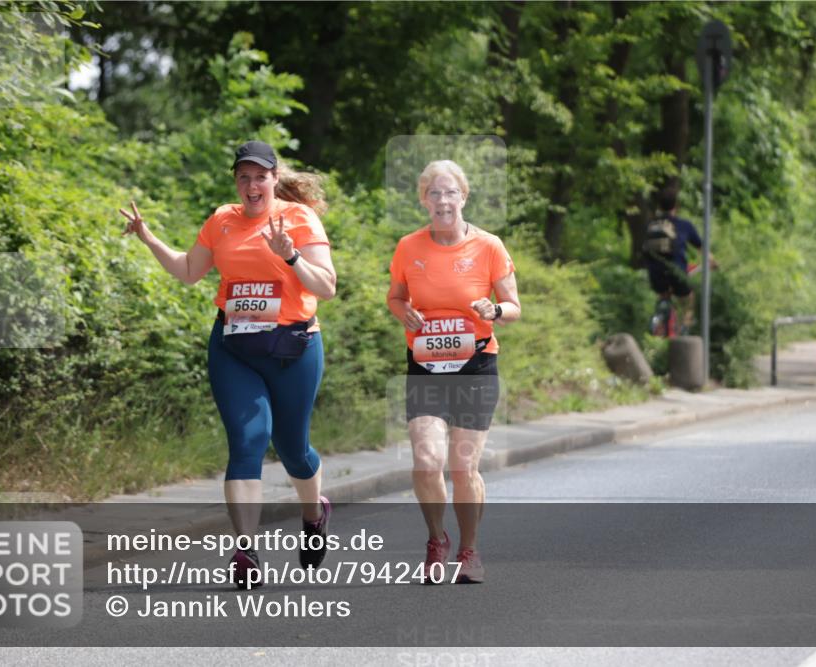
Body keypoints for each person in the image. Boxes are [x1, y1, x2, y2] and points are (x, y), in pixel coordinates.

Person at [119, 140, 336, 587]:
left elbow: (328, 287)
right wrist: (148, 237)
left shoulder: (298, 219)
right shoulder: (222, 220)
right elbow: (187, 271)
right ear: (236, 181)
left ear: (275, 179)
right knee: (247, 441)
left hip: (293, 347)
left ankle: (314, 515)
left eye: (261, 176)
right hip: (234, 347)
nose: (252, 185)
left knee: (294, 448)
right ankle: (247, 551)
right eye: (244, 176)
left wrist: (290, 256)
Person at [386, 160, 521, 584]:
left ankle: (469, 549)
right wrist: (402, 312)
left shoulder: (489, 246)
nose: (442, 201)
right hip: (425, 366)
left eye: (450, 193)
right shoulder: (409, 247)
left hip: (476, 365)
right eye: (434, 193)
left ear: (464, 197)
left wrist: (493, 309)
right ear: (423, 200)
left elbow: (514, 307)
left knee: (463, 468)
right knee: (427, 463)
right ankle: (436, 539)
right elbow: (395, 296)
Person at [643, 188, 715, 332]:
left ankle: (659, 318)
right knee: (689, 298)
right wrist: (713, 262)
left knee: (663, 293)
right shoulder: (684, 225)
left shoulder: (651, 225)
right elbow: (702, 249)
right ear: (676, 206)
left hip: (655, 273)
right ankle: (684, 327)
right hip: (676, 271)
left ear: (659, 206)